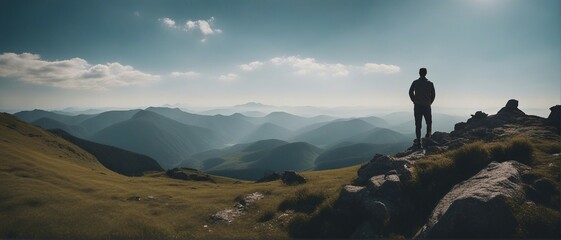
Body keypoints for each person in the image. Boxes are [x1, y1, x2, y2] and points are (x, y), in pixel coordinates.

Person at [409, 68, 435, 146]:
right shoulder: (430, 83)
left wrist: (414, 100)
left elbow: (410, 92)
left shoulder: (415, 82)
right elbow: (433, 94)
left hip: (417, 106)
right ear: (426, 73)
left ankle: (418, 142)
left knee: (418, 124)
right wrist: (430, 102)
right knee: (429, 122)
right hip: (427, 106)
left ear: (419, 73)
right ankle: (428, 137)